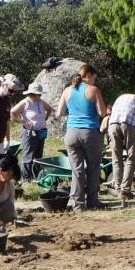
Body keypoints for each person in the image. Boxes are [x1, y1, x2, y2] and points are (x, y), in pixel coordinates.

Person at [55, 64, 109, 210]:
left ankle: (78, 205)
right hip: (90, 132)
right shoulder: (93, 90)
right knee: (93, 168)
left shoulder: (67, 90)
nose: (95, 81)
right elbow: (102, 112)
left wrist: (74, 113)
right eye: (94, 78)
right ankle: (93, 202)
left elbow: (59, 113)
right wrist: (107, 110)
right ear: (90, 75)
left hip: (71, 133)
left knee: (76, 170)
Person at [107, 91, 135, 196]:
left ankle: (118, 188)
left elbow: (111, 118)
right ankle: (125, 190)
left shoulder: (119, 98)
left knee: (116, 159)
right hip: (128, 124)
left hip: (112, 125)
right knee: (130, 158)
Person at [10, 83, 49, 187]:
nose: (40, 96)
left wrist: (45, 119)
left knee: (38, 155)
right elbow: (12, 113)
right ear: (32, 94)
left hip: (41, 132)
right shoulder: (25, 102)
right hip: (29, 132)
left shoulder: (40, 102)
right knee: (28, 156)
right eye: (38, 94)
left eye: (40, 95)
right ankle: (26, 179)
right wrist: (22, 121)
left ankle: (36, 176)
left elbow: (49, 109)